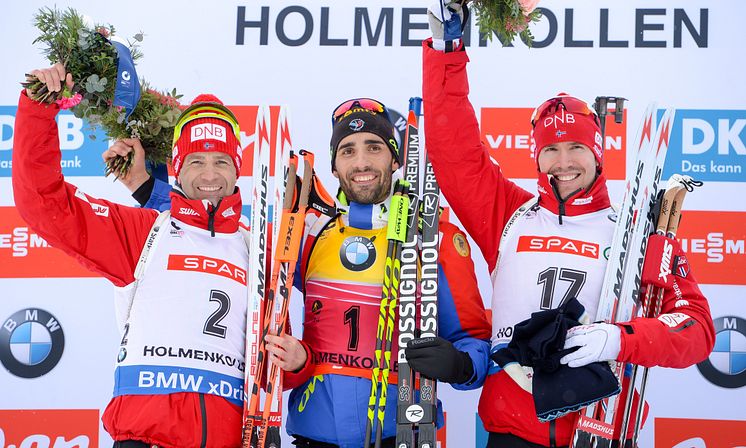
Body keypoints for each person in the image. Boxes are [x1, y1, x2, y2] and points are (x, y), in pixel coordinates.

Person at [422, 4, 715, 448]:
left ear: (598, 152)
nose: (563, 162)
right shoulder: (509, 215)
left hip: (600, 430)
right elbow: (454, 150)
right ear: (535, 156)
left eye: (576, 146)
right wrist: (447, 48)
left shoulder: (634, 234)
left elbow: (696, 328)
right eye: (551, 149)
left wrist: (620, 340)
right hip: (511, 431)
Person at [120, 98, 492, 447]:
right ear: (334, 166)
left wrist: (460, 366)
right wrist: (145, 187)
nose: (361, 163)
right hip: (314, 434)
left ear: (395, 160)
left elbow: (472, 340)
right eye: (348, 151)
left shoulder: (436, 239)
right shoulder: (311, 235)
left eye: (374, 147)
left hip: (400, 431)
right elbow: (228, 237)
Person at [14, 63, 256, 447]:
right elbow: (44, 205)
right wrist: (38, 109)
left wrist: (297, 361)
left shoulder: (254, 249)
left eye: (221, 161)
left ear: (237, 169)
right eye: (196, 161)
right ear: (177, 167)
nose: (209, 174)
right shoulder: (144, 233)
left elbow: (277, 362)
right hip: (145, 439)